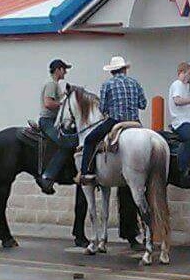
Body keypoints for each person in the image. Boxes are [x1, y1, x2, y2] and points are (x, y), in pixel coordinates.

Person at [78, 56, 146, 184]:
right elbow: (143, 104)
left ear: (111, 71)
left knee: (89, 140)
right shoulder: (135, 83)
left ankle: (86, 172)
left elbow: (103, 108)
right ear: (124, 70)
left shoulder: (107, 84)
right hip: (135, 123)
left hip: (115, 121)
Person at [35, 58, 72, 194]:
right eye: (64, 69)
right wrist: (63, 104)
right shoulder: (51, 84)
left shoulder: (55, 85)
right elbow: (48, 103)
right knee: (66, 143)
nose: (65, 73)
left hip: (53, 121)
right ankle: (47, 176)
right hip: (48, 121)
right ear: (58, 70)